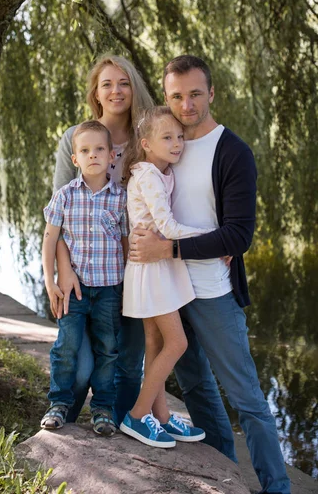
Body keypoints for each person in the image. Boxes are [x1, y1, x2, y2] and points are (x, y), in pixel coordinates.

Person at [129, 56, 291, 493]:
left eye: (195, 93)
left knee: (247, 400)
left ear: (212, 93)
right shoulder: (167, 144)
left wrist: (173, 246)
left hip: (212, 291)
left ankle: (277, 486)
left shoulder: (233, 152)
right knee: (198, 389)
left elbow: (238, 236)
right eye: (176, 95)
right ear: (166, 98)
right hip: (167, 289)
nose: (186, 103)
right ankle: (225, 477)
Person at [52, 54, 154, 425]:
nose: (116, 91)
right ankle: (64, 416)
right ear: (96, 93)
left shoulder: (148, 139)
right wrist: (63, 273)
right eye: (107, 84)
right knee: (80, 367)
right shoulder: (75, 139)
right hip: (82, 273)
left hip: (136, 268)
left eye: (124, 82)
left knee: (127, 362)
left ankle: (121, 428)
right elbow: (58, 219)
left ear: (134, 88)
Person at [119, 107, 207, 448]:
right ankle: (138, 416)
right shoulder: (149, 176)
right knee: (177, 343)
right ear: (146, 143)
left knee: (155, 345)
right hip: (153, 270)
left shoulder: (158, 172)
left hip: (156, 267)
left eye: (180, 136)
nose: (177, 143)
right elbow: (167, 227)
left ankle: (164, 418)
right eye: (167, 137)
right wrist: (212, 235)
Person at [40, 121, 128, 435]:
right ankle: (59, 404)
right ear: (75, 159)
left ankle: (103, 410)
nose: (94, 155)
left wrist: (130, 286)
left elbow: (126, 242)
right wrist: (50, 281)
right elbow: (50, 239)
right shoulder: (65, 196)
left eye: (100, 149)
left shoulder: (121, 199)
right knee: (67, 346)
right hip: (73, 290)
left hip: (108, 289)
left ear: (113, 155)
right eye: (86, 151)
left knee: (108, 349)